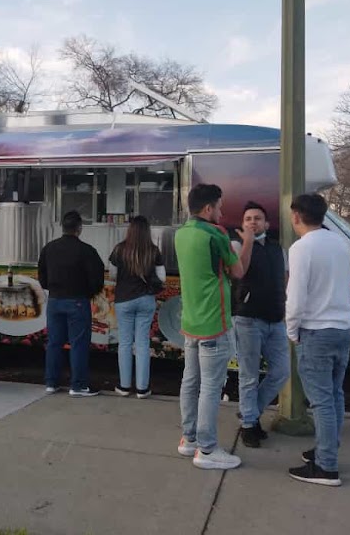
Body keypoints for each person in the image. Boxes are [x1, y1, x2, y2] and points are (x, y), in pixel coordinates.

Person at [175, 183, 254, 470]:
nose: (221, 212)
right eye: (219, 207)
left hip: (191, 321)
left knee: (191, 381)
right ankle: (207, 450)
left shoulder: (181, 233)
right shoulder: (216, 234)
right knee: (210, 386)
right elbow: (238, 271)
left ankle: (189, 439)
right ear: (208, 208)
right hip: (214, 322)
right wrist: (249, 241)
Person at [285, 194, 350, 486]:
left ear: (296, 216)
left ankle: (326, 467)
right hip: (343, 327)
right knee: (335, 395)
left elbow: (296, 296)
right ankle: (328, 449)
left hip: (316, 330)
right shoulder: (340, 243)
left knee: (322, 401)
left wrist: (292, 330)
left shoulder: (302, 248)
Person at [231, 201, 290, 448]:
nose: (253, 222)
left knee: (281, 371)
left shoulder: (278, 249)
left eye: (257, 218)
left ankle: (250, 413)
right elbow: (240, 272)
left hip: (276, 319)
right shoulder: (235, 245)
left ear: (267, 223)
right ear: (242, 224)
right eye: (248, 219)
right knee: (249, 375)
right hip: (248, 319)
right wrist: (248, 241)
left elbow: (286, 278)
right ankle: (249, 427)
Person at [38, 210, 105, 397]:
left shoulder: (49, 248)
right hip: (77, 301)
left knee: (54, 343)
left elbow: (42, 276)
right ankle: (78, 385)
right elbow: (97, 277)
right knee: (78, 344)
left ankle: (51, 383)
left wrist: (51, 288)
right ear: (79, 228)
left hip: (54, 301)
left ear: (63, 227)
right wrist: (89, 293)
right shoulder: (87, 251)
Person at [109, 215, 166, 399]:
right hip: (146, 300)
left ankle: (124, 387)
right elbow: (162, 279)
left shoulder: (119, 249)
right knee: (142, 343)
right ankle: (142, 389)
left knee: (125, 343)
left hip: (124, 300)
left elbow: (112, 274)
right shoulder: (153, 251)